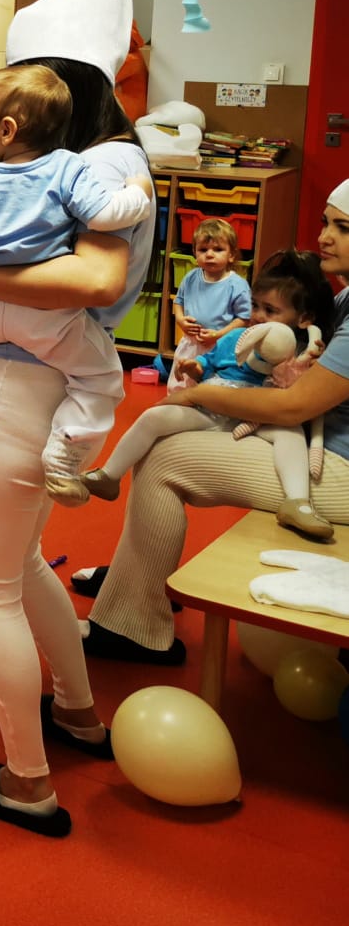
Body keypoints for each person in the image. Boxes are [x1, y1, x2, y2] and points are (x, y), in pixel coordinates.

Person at [0, 0, 156, 836]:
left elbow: (96, 278)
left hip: (15, 391)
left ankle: (26, 782)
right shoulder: (104, 159)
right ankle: (75, 712)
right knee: (17, 567)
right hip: (39, 383)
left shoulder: (99, 166)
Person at [83, 187, 349, 664]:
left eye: (342, 228)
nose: (324, 236)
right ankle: (134, 583)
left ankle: (135, 620)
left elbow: (294, 407)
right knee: (165, 439)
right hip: (323, 444)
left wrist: (199, 394)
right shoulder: (344, 296)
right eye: (326, 222)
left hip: (337, 466)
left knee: (166, 457)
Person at [0, 63, 150, 487]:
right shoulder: (69, 168)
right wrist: (138, 194)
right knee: (102, 377)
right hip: (47, 321)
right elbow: (106, 214)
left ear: (6, 130)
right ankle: (64, 450)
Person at [65, 250, 335, 539]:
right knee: (154, 416)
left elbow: (299, 394)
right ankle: (110, 475)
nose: (258, 316)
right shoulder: (237, 337)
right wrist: (196, 367)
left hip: (259, 419)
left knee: (291, 433)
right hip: (213, 412)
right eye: (255, 306)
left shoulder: (298, 352)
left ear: (303, 319)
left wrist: (305, 363)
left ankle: (297, 502)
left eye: (270, 311)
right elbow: (211, 363)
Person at [165, 217, 251, 389]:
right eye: (203, 249)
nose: (209, 254)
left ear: (231, 255)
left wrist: (218, 335)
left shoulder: (237, 285)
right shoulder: (191, 277)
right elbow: (179, 301)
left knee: (209, 387)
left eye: (218, 249)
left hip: (219, 347)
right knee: (179, 385)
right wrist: (181, 320)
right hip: (189, 344)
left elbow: (244, 319)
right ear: (195, 252)